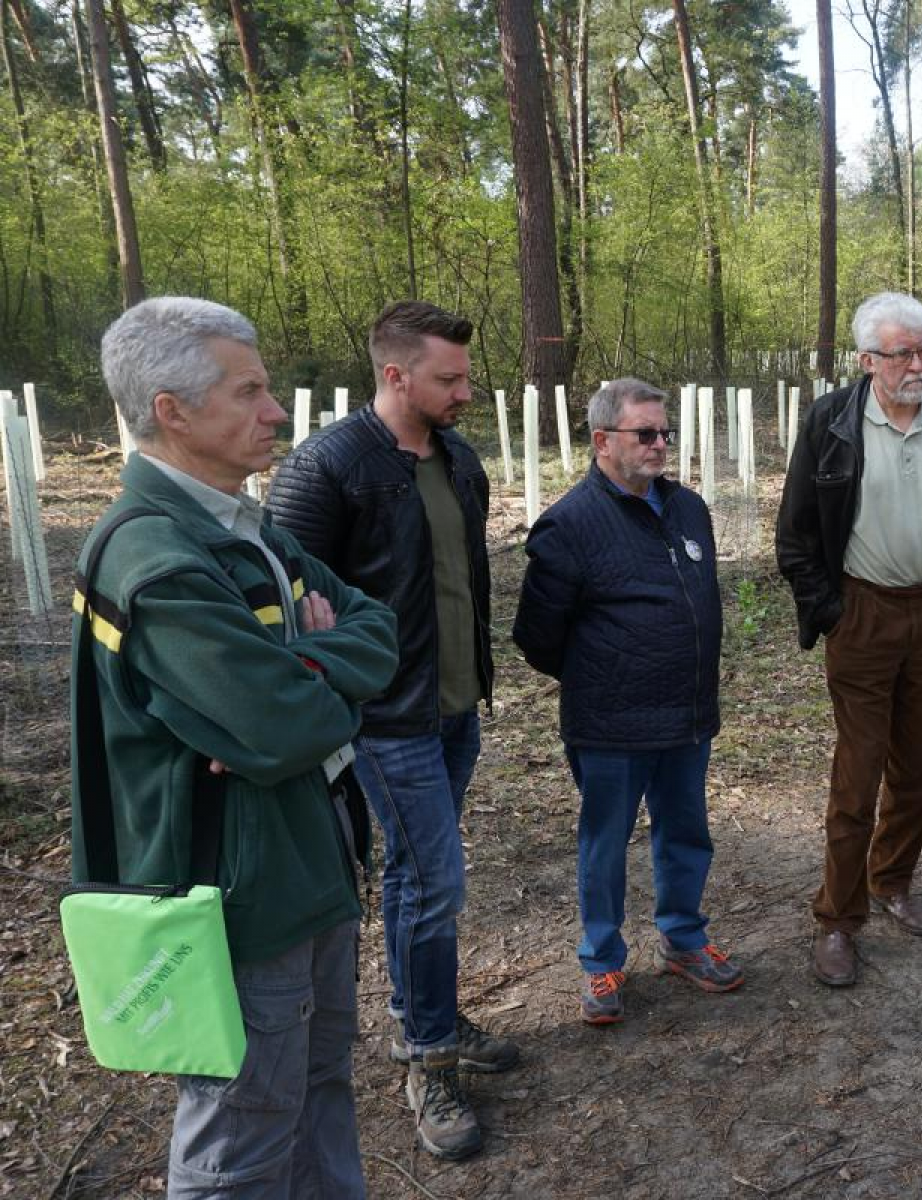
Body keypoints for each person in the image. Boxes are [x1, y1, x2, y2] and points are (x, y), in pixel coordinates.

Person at [73, 297, 398, 1196]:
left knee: (321, 1086)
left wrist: (298, 667)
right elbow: (283, 724)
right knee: (243, 1135)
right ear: (171, 411)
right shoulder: (156, 562)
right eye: (249, 392)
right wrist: (303, 687)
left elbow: (379, 627)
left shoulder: (243, 529)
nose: (277, 413)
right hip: (240, 899)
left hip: (311, 862)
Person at [268, 301, 516, 1161]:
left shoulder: (458, 458)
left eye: (465, 375)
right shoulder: (327, 467)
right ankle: (426, 1058)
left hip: (454, 708)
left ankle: (434, 1014)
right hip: (385, 719)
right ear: (394, 374)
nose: (465, 391)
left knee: (427, 875)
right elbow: (283, 604)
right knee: (429, 877)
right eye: (449, 378)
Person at [775, 291, 922, 987]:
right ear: (868, 360)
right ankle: (837, 919)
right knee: (858, 772)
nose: (919, 364)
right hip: (863, 615)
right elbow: (796, 532)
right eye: (904, 353)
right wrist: (830, 609)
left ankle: (892, 877)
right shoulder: (831, 421)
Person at [513, 378, 742, 1026]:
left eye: (665, 432)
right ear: (603, 440)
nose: (660, 444)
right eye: (646, 433)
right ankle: (601, 961)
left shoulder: (688, 508)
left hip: (687, 713)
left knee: (686, 834)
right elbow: (537, 636)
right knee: (605, 843)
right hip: (610, 722)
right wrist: (603, 674)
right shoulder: (570, 524)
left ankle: (683, 938)